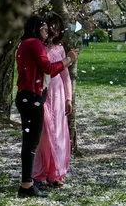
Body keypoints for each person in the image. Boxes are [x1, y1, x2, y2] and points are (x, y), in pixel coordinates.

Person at [15, 14, 78, 198]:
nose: (48, 31)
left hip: (29, 96)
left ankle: (28, 183)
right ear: (37, 29)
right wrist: (69, 59)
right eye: (44, 27)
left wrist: (68, 97)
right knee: (33, 142)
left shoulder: (25, 44)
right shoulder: (34, 44)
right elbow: (48, 69)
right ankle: (28, 183)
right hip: (33, 97)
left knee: (30, 142)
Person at [32, 12, 74, 188]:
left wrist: (68, 98)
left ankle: (55, 174)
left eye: (57, 25)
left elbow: (65, 76)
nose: (55, 29)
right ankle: (40, 174)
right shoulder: (39, 46)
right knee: (44, 135)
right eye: (51, 25)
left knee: (58, 133)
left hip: (58, 95)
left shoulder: (60, 48)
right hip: (43, 93)